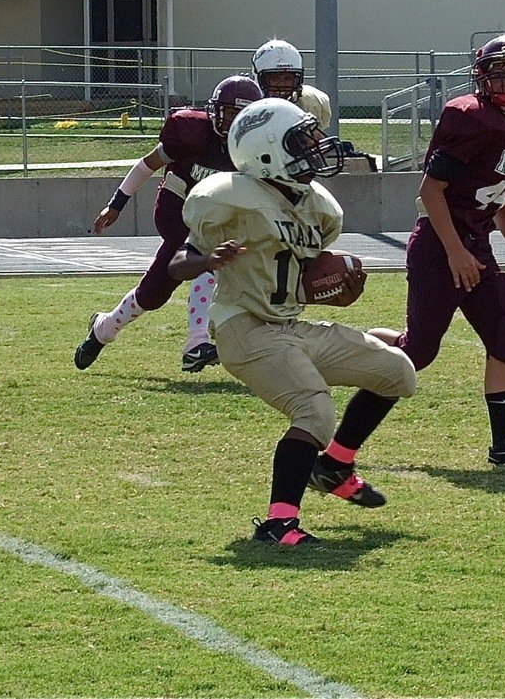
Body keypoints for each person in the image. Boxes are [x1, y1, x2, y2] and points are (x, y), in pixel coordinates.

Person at [169, 97, 416, 545]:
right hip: (243, 327)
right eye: (300, 140)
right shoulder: (231, 199)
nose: (314, 146)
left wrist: (329, 288)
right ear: (267, 153)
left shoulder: (313, 205)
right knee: (314, 409)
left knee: (396, 370)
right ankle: (279, 524)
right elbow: (176, 265)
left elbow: (300, 277)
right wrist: (207, 260)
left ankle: (334, 465)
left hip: (288, 326)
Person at [379, 35, 505, 467]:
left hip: (477, 245)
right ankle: (343, 352)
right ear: (483, 75)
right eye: (502, 71)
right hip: (441, 245)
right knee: (417, 351)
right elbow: (431, 190)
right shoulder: (468, 117)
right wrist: (455, 251)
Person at [74, 75, 264, 373]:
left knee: (151, 294)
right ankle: (196, 343)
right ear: (214, 110)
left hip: (216, 223)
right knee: (207, 260)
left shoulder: (253, 150)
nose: (231, 122)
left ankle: (104, 328)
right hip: (177, 214)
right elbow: (148, 164)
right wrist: (116, 203)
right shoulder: (193, 134)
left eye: (240, 115)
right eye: (227, 112)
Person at [251, 39, 333, 127]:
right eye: (274, 78)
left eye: (288, 78)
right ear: (259, 78)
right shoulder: (248, 102)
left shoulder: (309, 102)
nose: (282, 84)